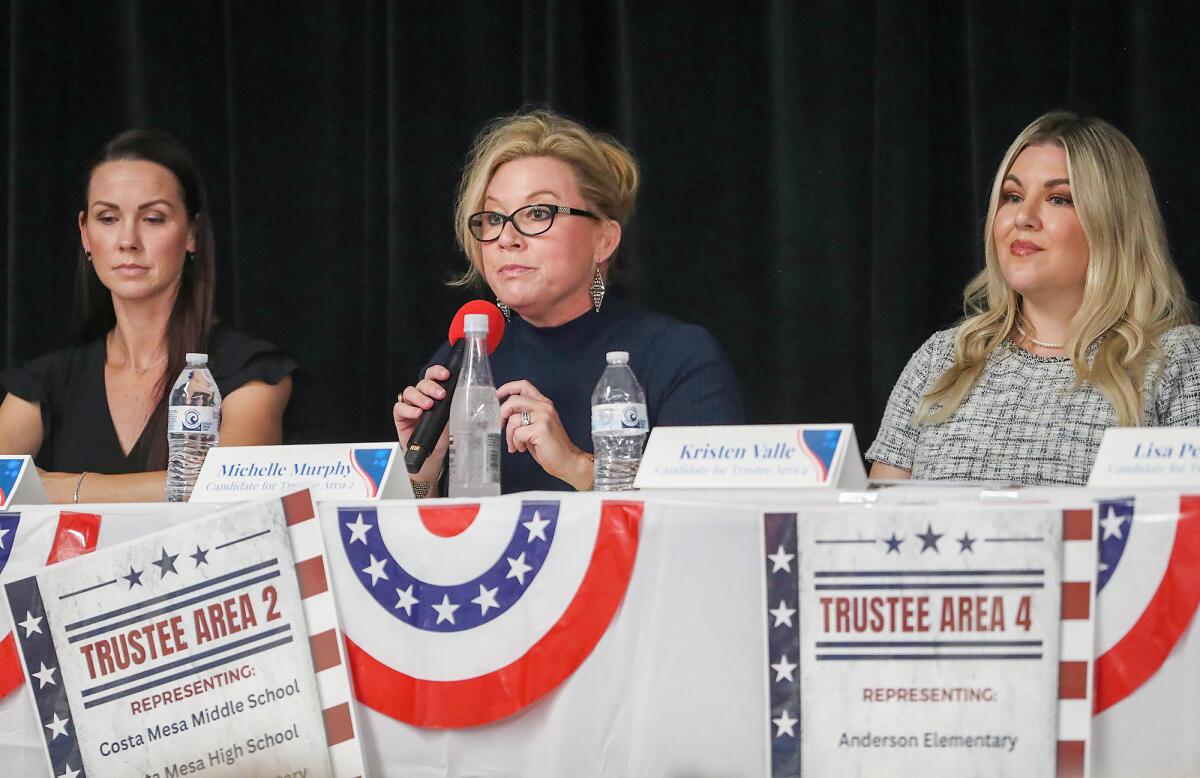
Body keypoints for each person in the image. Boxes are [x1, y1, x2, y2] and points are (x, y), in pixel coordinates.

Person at [395, 110, 743, 495]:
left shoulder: (678, 356)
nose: (507, 238)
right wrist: (421, 474)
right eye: (493, 218)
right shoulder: (465, 357)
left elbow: (703, 522)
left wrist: (575, 465)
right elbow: (421, 539)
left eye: (538, 213)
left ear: (604, 240)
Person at [868, 111, 1200, 486]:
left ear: (1114, 223)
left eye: (1058, 199)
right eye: (1012, 196)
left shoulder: (1176, 361)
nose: (1023, 217)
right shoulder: (942, 359)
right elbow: (874, 526)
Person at [0, 129, 297, 502]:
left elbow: (228, 489)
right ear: (85, 235)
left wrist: (63, 487)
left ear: (191, 233)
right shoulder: (46, 381)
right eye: (107, 218)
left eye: (153, 218)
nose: (128, 240)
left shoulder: (250, 370)